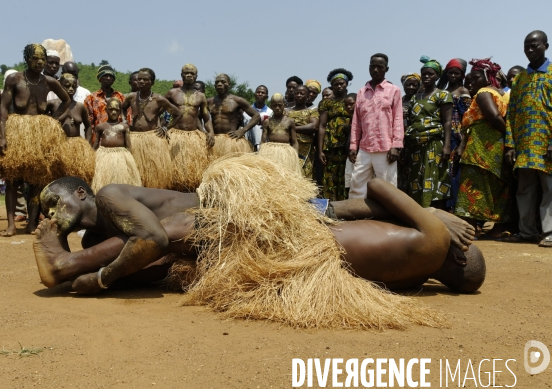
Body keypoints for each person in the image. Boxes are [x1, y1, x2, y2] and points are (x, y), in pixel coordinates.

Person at [32, 161, 482, 328]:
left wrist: (439, 216)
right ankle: (73, 268)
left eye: (53, 203)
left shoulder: (432, 240)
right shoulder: (410, 279)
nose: (50, 213)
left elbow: (380, 189)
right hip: (300, 237)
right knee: (172, 241)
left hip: (292, 233)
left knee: (169, 237)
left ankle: (64, 267)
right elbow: (360, 213)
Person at [0, 43, 71, 236]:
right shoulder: (14, 79)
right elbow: (4, 109)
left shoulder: (49, 82)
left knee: (37, 181)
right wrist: (2, 136)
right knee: (13, 180)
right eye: (35, 58)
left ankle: (31, 222)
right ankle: (11, 224)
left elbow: (67, 100)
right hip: (17, 131)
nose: (39, 62)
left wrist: (53, 122)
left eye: (42, 59)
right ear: (27, 59)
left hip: (39, 134)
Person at [454, 58, 513, 238]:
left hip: (481, 145)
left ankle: (470, 229)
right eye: (469, 79)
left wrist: (506, 134)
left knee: (472, 186)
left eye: (475, 77)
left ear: (487, 76)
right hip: (496, 144)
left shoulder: (483, 92)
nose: (471, 82)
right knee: (496, 187)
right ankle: (496, 229)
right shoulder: (504, 93)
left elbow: (494, 117)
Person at [503, 30, 552, 247]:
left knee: (550, 188)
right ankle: (527, 231)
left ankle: (549, 231)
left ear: (546, 46)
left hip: (546, 144)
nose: (530, 50)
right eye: (526, 46)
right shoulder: (520, 78)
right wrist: (510, 145)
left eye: (535, 46)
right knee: (525, 189)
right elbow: (511, 114)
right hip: (524, 146)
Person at [401, 56, 453, 209]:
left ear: (437, 76)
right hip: (415, 145)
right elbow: (410, 121)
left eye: (431, 74)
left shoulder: (443, 95)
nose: (427, 77)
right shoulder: (415, 98)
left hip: (434, 143)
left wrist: (447, 145)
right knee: (416, 180)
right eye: (424, 74)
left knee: (436, 180)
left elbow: (447, 122)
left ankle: (440, 220)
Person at [349, 53, 403, 198]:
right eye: (373, 66)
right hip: (365, 147)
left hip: (386, 147)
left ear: (386, 69)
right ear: (369, 68)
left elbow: (397, 119)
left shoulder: (393, 90)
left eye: (380, 67)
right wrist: (353, 146)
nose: (376, 70)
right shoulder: (362, 92)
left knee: (388, 186)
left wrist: (396, 146)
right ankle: (356, 215)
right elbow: (356, 122)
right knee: (357, 184)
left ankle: (388, 218)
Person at [122, 68, 182, 189]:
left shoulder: (159, 99)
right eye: (139, 79)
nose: (141, 82)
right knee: (135, 170)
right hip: (134, 138)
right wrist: (125, 122)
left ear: (152, 82)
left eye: (145, 79)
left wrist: (165, 128)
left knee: (153, 173)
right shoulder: (131, 97)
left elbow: (178, 114)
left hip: (153, 139)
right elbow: (122, 109)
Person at [164, 64, 213, 191]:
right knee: (173, 169)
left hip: (193, 136)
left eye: (192, 73)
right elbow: (157, 111)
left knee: (193, 170)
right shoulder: (172, 93)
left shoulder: (201, 96)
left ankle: (190, 192)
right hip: (175, 135)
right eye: (186, 73)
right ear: (181, 75)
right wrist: (163, 128)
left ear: (196, 76)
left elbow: (206, 118)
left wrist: (210, 133)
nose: (189, 75)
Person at [47, 73, 95, 184]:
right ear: (59, 85)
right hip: (59, 146)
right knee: (58, 176)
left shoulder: (80, 106)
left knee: (76, 176)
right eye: (67, 85)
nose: (70, 89)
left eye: (74, 86)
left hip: (76, 146)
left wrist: (87, 145)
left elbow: (88, 126)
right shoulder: (52, 104)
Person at [437, 59, 472, 212]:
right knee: (442, 172)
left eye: (456, 73)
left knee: (454, 173)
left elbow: (468, 118)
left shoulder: (463, 92)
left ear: (461, 75)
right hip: (440, 136)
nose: (452, 75)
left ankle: (454, 208)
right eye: (450, 72)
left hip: (456, 136)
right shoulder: (440, 91)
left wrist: (462, 142)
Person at [317, 68, 353, 201]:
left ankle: (346, 207)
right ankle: (330, 208)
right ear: (331, 86)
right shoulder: (327, 103)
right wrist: (320, 150)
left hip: (348, 144)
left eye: (341, 83)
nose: (339, 86)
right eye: (336, 84)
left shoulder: (353, 99)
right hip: (331, 145)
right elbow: (322, 126)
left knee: (346, 176)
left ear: (347, 84)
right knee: (330, 177)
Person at [91, 98, 141, 193]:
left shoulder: (124, 127)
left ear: (120, 111)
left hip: (121, 157)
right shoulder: (100, 126)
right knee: (104, 179)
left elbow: (128, 146)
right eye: (111, 109)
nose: (113, 112)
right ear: (106, 110)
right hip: (103, 156)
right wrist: (92, 158)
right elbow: (96, 144)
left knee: (120, 178)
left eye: (117, 110)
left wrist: (130, 161)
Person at [207, 74, 259, 159]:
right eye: (217, 82)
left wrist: (243, 130)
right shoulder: (209, 101)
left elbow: (256, 115)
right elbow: (198, 116)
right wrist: (206, 132)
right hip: (215, 141)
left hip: (231, 140)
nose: (219, 84)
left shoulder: (237, 100)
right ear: (214, 85)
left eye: (223, 82)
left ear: (229, 84)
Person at [83, 65, 128, 144]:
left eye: (111, 76)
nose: (108, 78)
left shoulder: (120, 97)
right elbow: (89, 122)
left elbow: (127, 116)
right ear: (100, 79)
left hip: (118, 139)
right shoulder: (91, 98)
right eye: (105, 76)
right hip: (98, 139)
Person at [258, 93, 300, 174]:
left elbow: (294, 141)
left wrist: (295, 156)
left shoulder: (290, 121)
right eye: (274, 105)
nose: (277, 108)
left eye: (280, 105)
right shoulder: (267, 122)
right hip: (270, 152)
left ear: (284, 105)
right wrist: (260, 154)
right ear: (271, 106)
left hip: (285, 153)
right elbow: (263, 141)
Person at [286, 85, 318, 178]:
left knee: (304, 174)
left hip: (306, 147)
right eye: (297, 93)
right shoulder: (286, 112)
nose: (299, 95)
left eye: (302, 93)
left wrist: (292, 129)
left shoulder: (312, 112)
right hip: (289, 147)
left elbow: (314, 126)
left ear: (307, 96)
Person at [242, 85, 272, 151]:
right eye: (258, 92)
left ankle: (258, 147)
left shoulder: (270, 113)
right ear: (254, 95)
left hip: (264, 145)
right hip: (248, 143)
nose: (260, 94)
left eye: (262, 93)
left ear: (266, 97)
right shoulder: (246, 112)